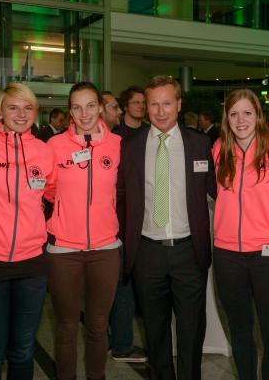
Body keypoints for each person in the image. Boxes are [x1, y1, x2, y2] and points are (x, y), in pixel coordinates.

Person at [117, 75, 216, 380]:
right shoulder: (129, 147)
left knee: (191, 331)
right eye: (154, 104)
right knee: (155, 331)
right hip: (147, 252)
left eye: (167, 103)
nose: (161, 111)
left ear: (179, 104)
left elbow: (220, 191)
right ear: (145, 107)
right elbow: (119, 197)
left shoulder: (200, 144)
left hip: (188, 251)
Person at [0, 83, 55, 380]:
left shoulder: (45, 152)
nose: (21, 114)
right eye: (13, 107)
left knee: (23, 350)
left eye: (28, 107)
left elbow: (54, 194)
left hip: (32, 263)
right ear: (0, 111)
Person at [213, 89, 269, 380]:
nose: (240, 120)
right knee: (240, 329)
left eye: (247, 112)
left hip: (268, 254)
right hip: (227, 254)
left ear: (258, 115)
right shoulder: (218, 150)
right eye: (234, 114)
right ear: (227, 118)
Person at [46, 82, 122, 380]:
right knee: (65, 327)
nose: (84, 113)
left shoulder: (116, 145)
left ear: (100, 107)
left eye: (90, 105)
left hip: (105, 249)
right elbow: (48, 190)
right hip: (64, 250)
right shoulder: (54, 146)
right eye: (77, 107)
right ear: (70, 112)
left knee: (98, 325)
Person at [103, 90, 147, 363]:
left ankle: (118, 339)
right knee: (123, 284)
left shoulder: (150, 136)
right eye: (137, 103)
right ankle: (121, 343)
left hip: (143, 223)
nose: (141, 107)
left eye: (145, 102)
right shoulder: (115, 140)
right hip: (119, 223)